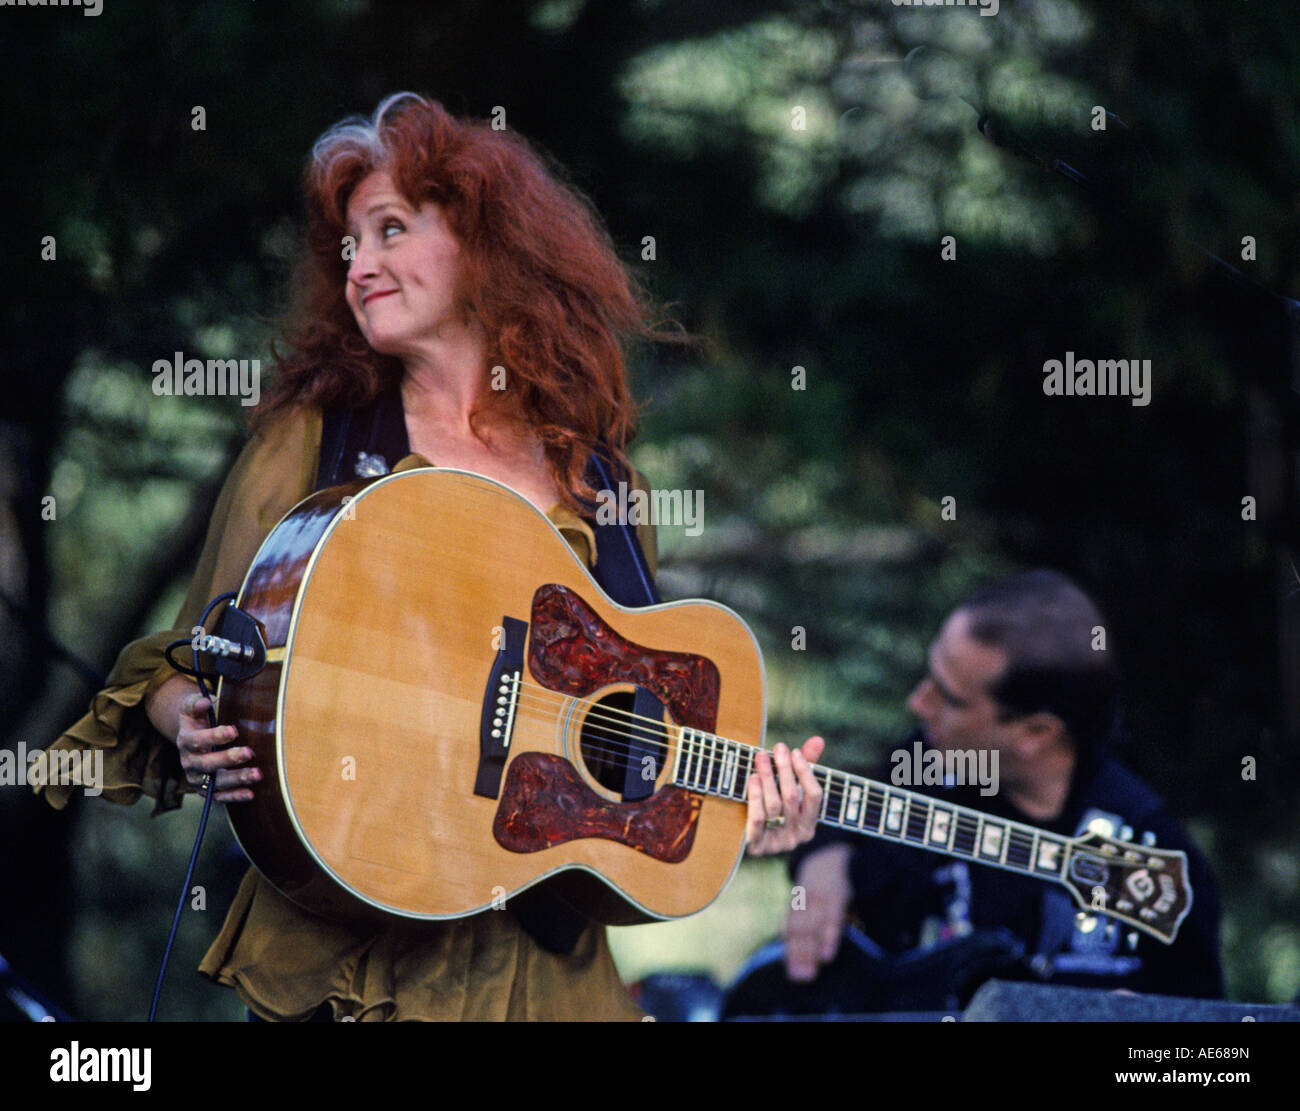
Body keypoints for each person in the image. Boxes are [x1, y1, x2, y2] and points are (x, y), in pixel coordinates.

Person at [40, 93, 824, 1021]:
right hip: (355, 949)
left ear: (488, 245)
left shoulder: (603, 480)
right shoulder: (313, 439)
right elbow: (190, 657)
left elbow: (618, 722)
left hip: (542, 973)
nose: (359, 265)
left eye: (391, 230)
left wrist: (746, 807)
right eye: (350, 245)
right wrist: (187, 719)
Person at [781, 569, 1222, 1007]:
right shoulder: (929, 763)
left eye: (950, 698)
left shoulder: (1159, 860)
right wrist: (826, 855)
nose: (918, 702)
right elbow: (844, 811)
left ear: (1035, 732)